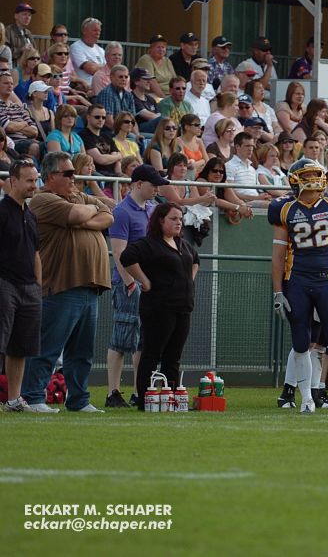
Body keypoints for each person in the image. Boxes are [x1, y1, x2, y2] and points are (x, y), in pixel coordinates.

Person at [269, 159, 328, 414]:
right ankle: (306, 399)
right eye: (307, 175)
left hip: (327, 280)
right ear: (295, 180)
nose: (313, 180)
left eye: (315, 174)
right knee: (302, 342)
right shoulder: (283, 208)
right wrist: (278, 291)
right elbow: (278, 256)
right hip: (297, 281)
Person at [22, 151, 113, 413]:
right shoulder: (43, 199)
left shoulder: (77, 197)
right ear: (51, 176)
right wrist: (89, 212)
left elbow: (109, 214)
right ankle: (33, 398)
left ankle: (79, 400)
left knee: (82, 352)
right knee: (49, 347)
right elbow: (76, 215)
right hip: (61, 285)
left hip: (89, 286)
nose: (74, 179)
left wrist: (86, 216)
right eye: (68, 174)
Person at [119, 202, 199, 410]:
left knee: (173, 357)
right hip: (159, 308)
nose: (178, 222)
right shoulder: (149, 244)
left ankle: (170, 399)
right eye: (173, 219)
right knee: (152, 354)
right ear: (161, 221)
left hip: (183, 307)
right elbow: (126, 257)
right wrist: (144, 280)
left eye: (180, 219)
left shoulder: (182, 243)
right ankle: (146, 400)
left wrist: (188, 281)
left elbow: (195, 260)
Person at [105, 164, 166, 408]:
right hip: (130, 284)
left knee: (143, 341)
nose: (157, 189)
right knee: (122, 337)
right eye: (154, 185)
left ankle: (139, 391)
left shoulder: (152, 210)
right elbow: (118, 252)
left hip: (148, 284)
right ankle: (113, 392)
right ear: (138, 184)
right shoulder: (121, 212)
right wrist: (130, 282)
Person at [0, 160, 42, 412]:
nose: (33, 185)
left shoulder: (31, 215)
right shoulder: (2, 212)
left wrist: (38, 285)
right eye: (29, 180)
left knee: (20, 347)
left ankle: (14, 400)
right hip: (5, 283)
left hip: (29, 288)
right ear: (13, 181)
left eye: (35, 180)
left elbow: (36, 253)